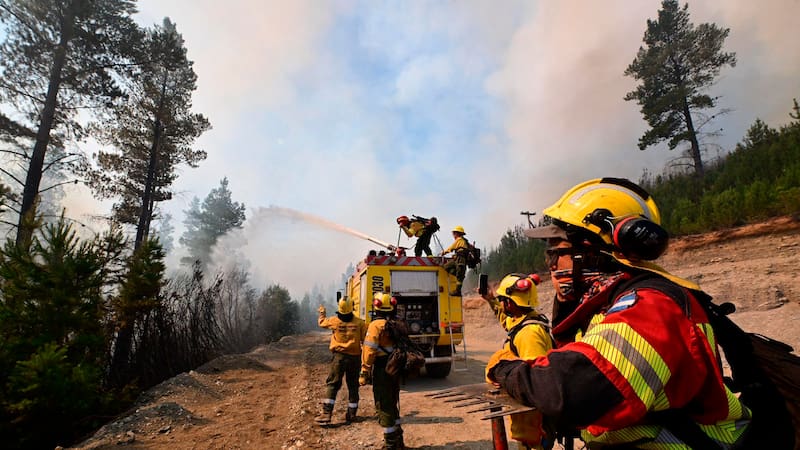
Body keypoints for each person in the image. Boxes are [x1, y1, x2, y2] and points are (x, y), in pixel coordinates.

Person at [487, 177, 751, 449]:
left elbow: (574, 389)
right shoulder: (611, 305)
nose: (550, 264)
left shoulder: (651, 306)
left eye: (555, 253)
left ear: (589, 252)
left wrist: (503, 368)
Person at [483, 273, 554, 450]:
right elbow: (507, 322)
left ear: (510, 303)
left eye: (502, 300)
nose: (501, 304)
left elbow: (535, 381)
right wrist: (491, 300)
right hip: (529, 422)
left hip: (532, 425)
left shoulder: (529, 334)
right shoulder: (524, 320)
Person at [360, 293, 405, 450]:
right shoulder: (397, 323)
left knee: (383, 405)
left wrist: (364, 372)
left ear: (376, 307)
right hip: (395, 367)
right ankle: (399, 440)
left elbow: (369, 351)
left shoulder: (375, 325)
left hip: (382, 368)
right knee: (392, 402)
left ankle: (390, 444)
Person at [315, 297, 367, 425]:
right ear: (352, 307)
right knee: (353, 385)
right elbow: (364, 340)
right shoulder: (360, 323)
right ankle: (352, 414)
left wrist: (322, 313)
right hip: (355, 358)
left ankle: (326, 414)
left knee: (333, 384)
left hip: (339, 357)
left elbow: (322, 323)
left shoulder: (334, 321)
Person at [440, 225, 469, 296]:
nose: (453, 235)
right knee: (447, 267)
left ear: (457, 233)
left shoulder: (459, 240)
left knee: (459, 277)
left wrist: (443, 252)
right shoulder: (463, 241)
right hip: (458, 259)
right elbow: (460, 251)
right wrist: (455, 255)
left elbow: (451, 248)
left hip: (460, 260)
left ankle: (457, 291)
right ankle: (460, 276)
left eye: (454, 233)